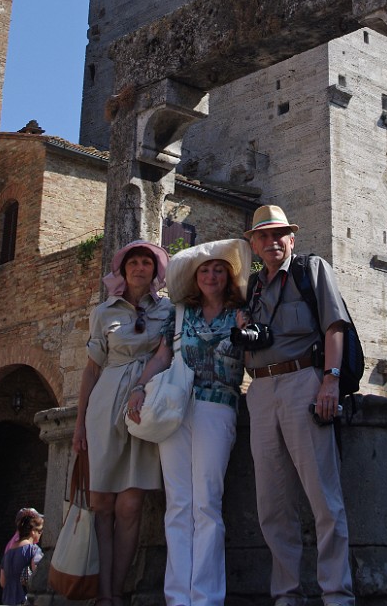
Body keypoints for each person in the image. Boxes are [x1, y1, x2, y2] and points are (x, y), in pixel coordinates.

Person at [238, 205, 355, 606]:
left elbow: (334, 326)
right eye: (264, 236)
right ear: (254, 245)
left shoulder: (311, 270)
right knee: (272, 502)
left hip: (304, 380)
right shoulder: (253, 288)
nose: (272, 241)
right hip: (260, 389)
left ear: (292, 239)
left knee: (324, 497)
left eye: (279, 234)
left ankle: (337, 594)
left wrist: (330, 380)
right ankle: (286, 595)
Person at [126, 238, 251, 606]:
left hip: (218, 407)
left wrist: (246, 331)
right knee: (179, 502)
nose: (211, 276)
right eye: (205, 270)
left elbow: (254, 359)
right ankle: (178, 597)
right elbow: (162, 356)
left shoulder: (241, 314)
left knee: (207, 503)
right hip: (176, 407)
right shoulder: (181, 314)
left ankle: (206, 597)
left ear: (228, 277)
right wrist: (139, 387)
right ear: (196, 278)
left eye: (218, 270)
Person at [73, 240, 171, 606]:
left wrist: (142, 386)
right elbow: (91, 369)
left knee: (130, 507)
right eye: (134, 262)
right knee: (101, 504)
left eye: (147, 262)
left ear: (155, 271)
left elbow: (168, 355)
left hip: (145, 406)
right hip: (104, 404)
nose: (140, 268)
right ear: (123, 269)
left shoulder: (168, 310)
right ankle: (102, 595)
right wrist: (79, 424)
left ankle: (116, 591)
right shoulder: (103, 312)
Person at [0, 512, 43, 605]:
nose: (41, 534)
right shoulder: (33, 550)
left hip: (8, 602)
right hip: (25, 601)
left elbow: (3, 582)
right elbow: (39, 578)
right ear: (33, 531)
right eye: (40, 531)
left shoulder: (7, 553)